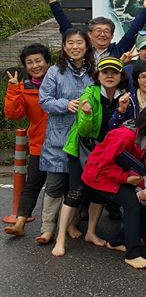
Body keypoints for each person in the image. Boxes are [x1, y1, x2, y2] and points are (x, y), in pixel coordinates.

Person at [81, 99, 146, 269]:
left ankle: (115, 241)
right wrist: (126, 179)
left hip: (123, 175)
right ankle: (132, 254)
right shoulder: (125, 134)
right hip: (98, 176)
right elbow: (103, 165)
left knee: (145, 198)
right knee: (132, 202)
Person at [52, 57, 128, 257]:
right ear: (98, 75)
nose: (110, 76)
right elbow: (85, 131)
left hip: (105, 152)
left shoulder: (124, 97)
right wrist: (86, 113)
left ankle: (91, 233)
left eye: (114, 72)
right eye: (105, 72)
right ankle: (60, 238)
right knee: (75, 191)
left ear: (121, 76)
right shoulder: (90, 94)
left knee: (97, 193)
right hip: (82, 149)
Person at [37, 28, 95, 244]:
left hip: (82, 137)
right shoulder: (55, 72)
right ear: (64, 46)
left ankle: (70, 224)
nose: (75, 47)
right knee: (54, 184)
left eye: (79, 42)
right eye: (70, 43)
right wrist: (65, 104)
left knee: (77, 185)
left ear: (86, 46)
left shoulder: (93, 70)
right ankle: (47, 228)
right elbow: (44, 100)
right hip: (59, 137)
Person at [39, 0, 146, 61]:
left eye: (107, 31)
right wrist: (53, 2)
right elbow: (66, 28)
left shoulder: (118, 51)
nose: (102, 34)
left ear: (112, 36)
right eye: (98, 31)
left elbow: (133, 31)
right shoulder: (83, 51)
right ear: (90, 34)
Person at [3, 44, 50, 237]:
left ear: (48, 62)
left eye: (38, 61)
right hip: (39, 143)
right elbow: (12, 114)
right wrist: (14, 89)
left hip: (64, 144)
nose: (35, 66)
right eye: (29, 63)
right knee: (32, 184)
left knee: (64, 186)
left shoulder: (60, 82)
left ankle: (66, 225)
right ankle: (20, 222)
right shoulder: (24, 88)